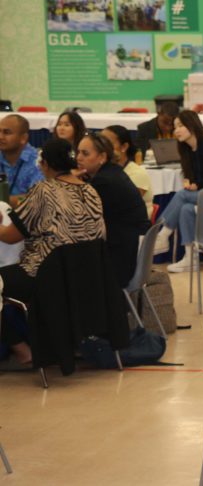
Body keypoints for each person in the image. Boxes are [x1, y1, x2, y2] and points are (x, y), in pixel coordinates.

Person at [0, 139, 105, 366]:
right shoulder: (90, 190)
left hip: (44, 276)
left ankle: (20, 348)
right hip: (86, 277)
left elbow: (10, 236)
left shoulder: (43, 191)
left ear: (45, 164)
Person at [152, 111, 203, 270]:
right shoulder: (187, 150)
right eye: (175, 127)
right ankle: (191, 258)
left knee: (181, 195)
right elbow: (197, 177)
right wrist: (192, 184)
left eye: (181, 126)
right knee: (185, 209)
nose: (177, 131)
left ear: (192, 125)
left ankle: (163, 235)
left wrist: (197, 185)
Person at [76, 133, 150, 287]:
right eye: (77, 152)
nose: (78, 158)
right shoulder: (112, 172)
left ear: (102, 157)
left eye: (85, 153)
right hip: (128, 250)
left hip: (120, 260)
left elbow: (77, 218)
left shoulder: (104, 181)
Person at [101, 125, 153, 218]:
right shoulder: (103, 171)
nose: (101, 147)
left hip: (133, 224)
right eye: (100, 143)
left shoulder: (137, 173)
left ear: (124, 147)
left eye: (108, 143)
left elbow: (125, 206)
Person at [0, 114, 44, 198]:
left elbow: (37, 198)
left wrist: (6, 201)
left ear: (23, 138)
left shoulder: (38, 162)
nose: (0, 137)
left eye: (7, 132)